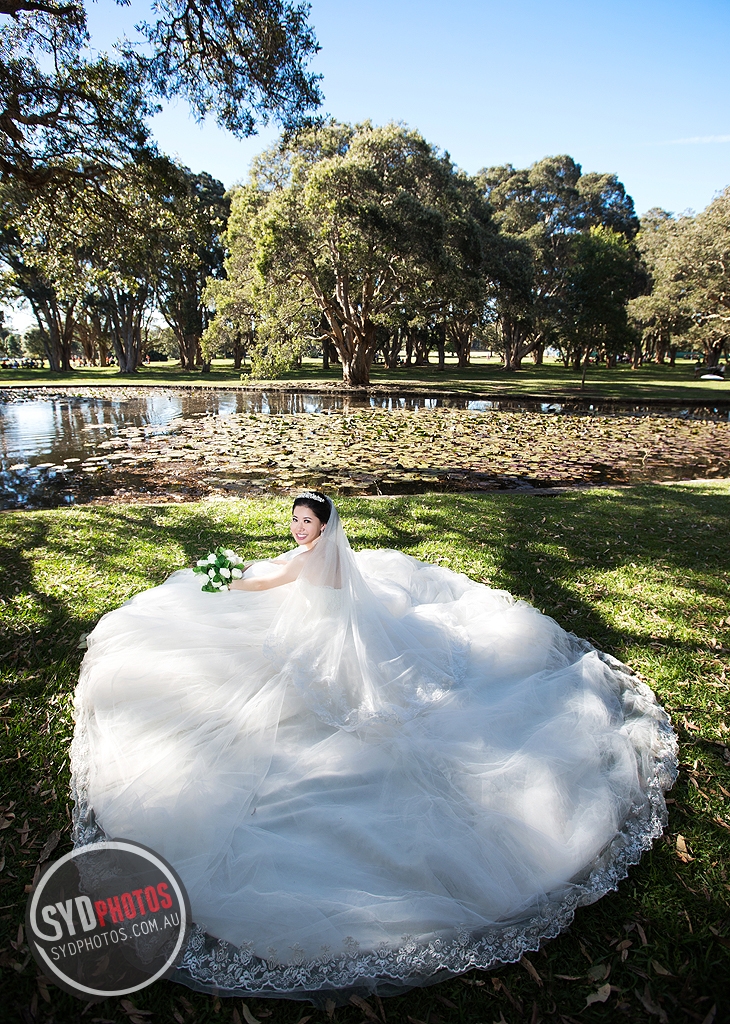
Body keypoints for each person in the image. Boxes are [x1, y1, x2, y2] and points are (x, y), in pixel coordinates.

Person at [71, 491, 677, 1003]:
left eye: (306, 522)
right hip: (339, 629)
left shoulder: (307, 561)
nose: (297, 528)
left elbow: (268, 581)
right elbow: (295, 577)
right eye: (294, 520)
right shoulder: (332, 556)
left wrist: (225, 577)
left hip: (321, 646)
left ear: (324, 527)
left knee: (260, 688)